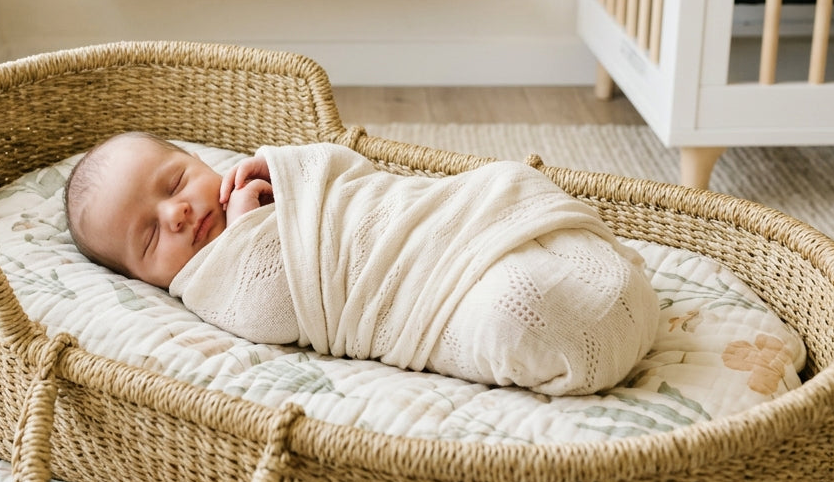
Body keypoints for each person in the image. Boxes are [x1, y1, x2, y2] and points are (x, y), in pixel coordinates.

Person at [65, 131, 659, 395]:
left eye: (175, 181)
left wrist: (282, 166)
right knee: (517, 314)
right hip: (420, 298)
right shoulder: (209, 285)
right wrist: (251, 231)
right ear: (144, 279)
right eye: (148, 236)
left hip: (440, 226)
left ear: (197, 160)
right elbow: (274, 307)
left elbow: (359, 178)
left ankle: (592, 276)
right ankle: (595, 311)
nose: (176, 213)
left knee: (504, 187)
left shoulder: (261, 179)